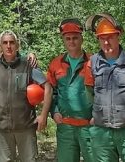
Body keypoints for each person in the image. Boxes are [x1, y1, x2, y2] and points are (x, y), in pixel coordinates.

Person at [84, 14, 125, 162]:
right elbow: (89, 92)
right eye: (102, 38)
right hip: (102, 131)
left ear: (118, 36)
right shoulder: (91, 63)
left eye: (110, 37)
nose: (106, 42)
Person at [41, 18, 94, 162]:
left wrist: (98, 115)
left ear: (81, 38)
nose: (72, 41)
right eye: (68, 38)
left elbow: (101, 92)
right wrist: (55, 111)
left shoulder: (93, 62)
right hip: (66, 127)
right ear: (63, 40)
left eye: (75, 38)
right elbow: (52, 91)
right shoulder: (56, 64)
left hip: (89, 126)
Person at [0, 30, 46, 162]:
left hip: (26, 126)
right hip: (3, 127)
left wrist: (43, 115)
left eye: (12, 42)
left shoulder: (28, 65)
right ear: (0, 46)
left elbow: (47, 87)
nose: (8, 46)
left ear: (17, 45)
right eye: (5, 43)